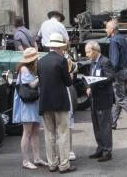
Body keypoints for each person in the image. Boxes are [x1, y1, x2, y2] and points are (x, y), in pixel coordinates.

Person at [39, 34, 74, 173]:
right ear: (60, 47)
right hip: (59, 101)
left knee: (49, 134)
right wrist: (71, 73)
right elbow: (68, 82)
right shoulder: (61, 61)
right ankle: (64, 165)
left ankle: (52, 163)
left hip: (45, 101)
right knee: (63, 133)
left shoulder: (41, 61)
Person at [83, 41, 115, 162]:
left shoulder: (105, 62)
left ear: (96, 50)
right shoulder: (92, 63)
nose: (87, 54)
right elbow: (88, 78)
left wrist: (96, 82)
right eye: (86, 52)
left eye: (89, 52)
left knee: (104, 126)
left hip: (103, 98)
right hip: (94, 99)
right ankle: (100, 148)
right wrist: (88, 87)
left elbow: (110, 77)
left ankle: (107, 151)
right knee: (96, 125)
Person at [13, 47, 44, 169]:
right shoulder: (24, 69)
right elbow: (31, 85)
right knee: (27, 132)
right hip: (27, 104)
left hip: (32, 102)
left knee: (35, 131)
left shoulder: (28, 68)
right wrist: (40, 77)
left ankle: (37, 158)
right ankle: (25, 161)